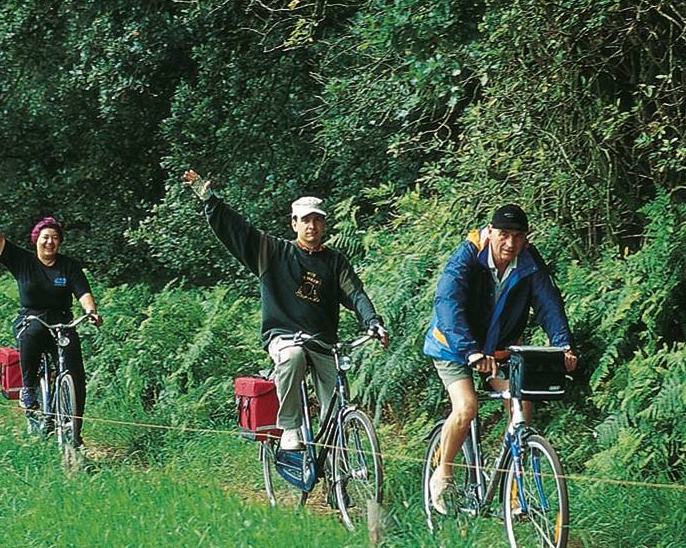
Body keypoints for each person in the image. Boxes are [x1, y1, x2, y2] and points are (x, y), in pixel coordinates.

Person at [182, 170, 388, 450]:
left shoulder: (335, 262)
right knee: (292, 356)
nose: (312, 226)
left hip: (323, 341)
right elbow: (239, 231)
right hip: (284, 336)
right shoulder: (273, 252)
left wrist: (372, 321)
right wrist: (210, 200)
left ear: (324, 224)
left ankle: (334, 470)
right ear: (294, 224)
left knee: (337, 405)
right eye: (305, 220)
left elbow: (355, 294)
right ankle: (290, 428)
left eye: (317, 220)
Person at [423, 203, 577, 514]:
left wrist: (564, 347)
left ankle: (516, 492)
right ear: (490, 231)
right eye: (504, 234)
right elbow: (447, 301)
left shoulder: (529, 261)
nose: (510, 243)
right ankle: (444, 472)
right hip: (454, 346)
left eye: (518, 236)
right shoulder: (467, 256)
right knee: (467, 407)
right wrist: (470, 350)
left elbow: (548, 302)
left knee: (521, 402)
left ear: (527, 238)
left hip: (498, 349)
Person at [0, 194, 102, 447]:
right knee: (32, 332)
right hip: (32, 317)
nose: (50, 241)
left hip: (62, 323)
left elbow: (83, 292)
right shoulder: (23, 261)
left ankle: (74, 434)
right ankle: (30, 388)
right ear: (37, 240)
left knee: (76, 375)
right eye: (46, 237)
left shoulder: (68, 266)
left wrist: (91, 311)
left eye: (55, 238)